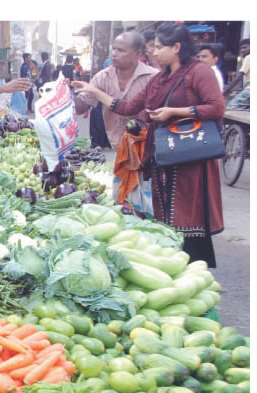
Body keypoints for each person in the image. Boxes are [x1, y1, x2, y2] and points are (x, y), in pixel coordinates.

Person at [72, 23, 226, 268]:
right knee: (165, 214)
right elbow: (126, 107)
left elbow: (217, 107)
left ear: (176, 47)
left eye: (159, 47)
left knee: (190, 213)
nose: (153, 52)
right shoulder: (159, 79)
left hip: (191, 156)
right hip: (163, 155)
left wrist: (174, 112)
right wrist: (93, 90)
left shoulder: (198, 72)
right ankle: (173, 264)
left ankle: (195, 266)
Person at [73, 32, 158, 149]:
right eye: (114, 49)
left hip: (147, 145)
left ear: (138, 53)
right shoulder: (102, 77)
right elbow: (81, 107)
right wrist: (66, 95)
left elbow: (130, 109)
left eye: (121, 50)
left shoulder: (153, 77)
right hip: (117, 146)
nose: (114, 54)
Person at [223, 38, 249, 110]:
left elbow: (239, 77)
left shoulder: (249, 57)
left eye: (245, 47)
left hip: (249, 90)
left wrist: (225, 91)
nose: (242, 50)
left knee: (230, 107)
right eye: (241, 48)